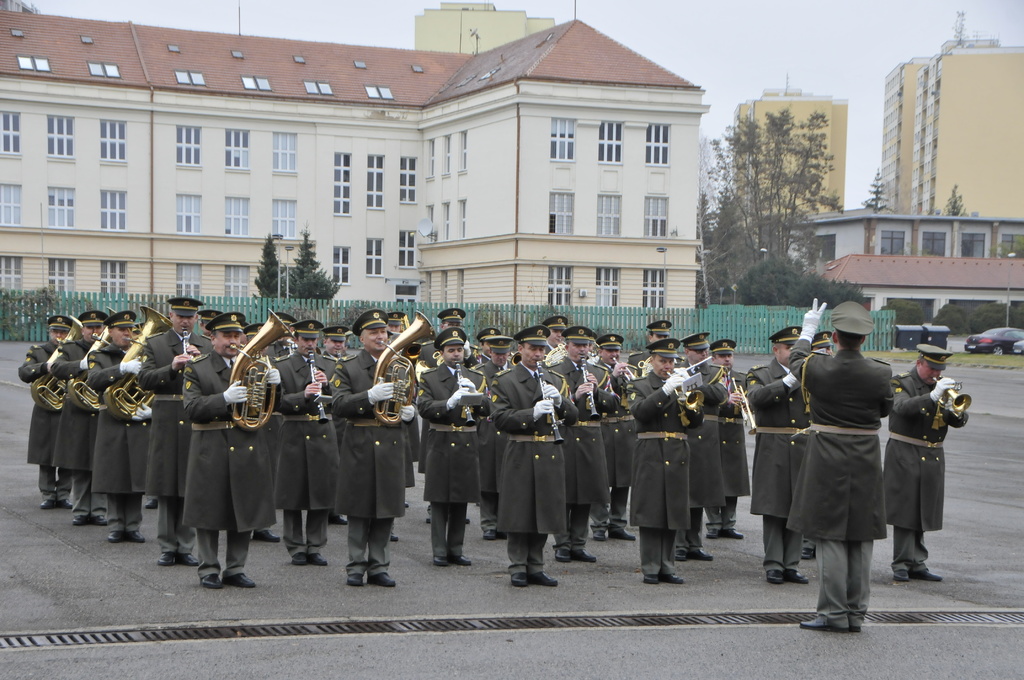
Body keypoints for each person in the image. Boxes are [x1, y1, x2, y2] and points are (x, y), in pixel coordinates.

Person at [789, 300, 893, 633]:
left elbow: (795, 360)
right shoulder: (881, 372)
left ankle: (834, 613)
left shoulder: (818, 367)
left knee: (830, 535)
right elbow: (885, 409)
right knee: (861, 536)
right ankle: (855, 614)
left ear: (834, 337)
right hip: (865, 458)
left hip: (827, 457)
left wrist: (807, 330)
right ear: (863, 338)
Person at [182, 312, 279, 589]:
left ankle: (236, 568)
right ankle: (208, 568)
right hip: (212, 446)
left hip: (247, 444)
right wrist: (223, 399)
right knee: (208, 512)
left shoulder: (254, 365)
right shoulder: (197, 367)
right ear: (212, 339)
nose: (233, 341)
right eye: (226, 336)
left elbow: (270, 408)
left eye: (237, 335)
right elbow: (191, 408)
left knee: (244, 510)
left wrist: (275, 386)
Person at [331, 309, 415, 587]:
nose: (381, 337)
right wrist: (368, 396)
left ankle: (379, 566)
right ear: (361, 338)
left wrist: (408, 412)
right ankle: (356, 566)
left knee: (386, 508)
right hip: (360, 442)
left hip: (391, 442)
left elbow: (409, 396)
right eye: (374, 333)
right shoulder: (348, 366)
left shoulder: (399, 364)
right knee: (359, 509)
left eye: (383, 332)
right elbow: (339, 405)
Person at [490, 325, 578, 587]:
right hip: (521, 450)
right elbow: (499, 418)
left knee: (544, 511)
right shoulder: (505, 380)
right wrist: (533, 413)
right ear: (520, 349)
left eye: (541, 349)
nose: (538, 354)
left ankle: (536, 565)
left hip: (549, 452)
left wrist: (561, 402)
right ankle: (518, 566)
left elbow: (573, 418)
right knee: (520, 512)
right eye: (533, 349)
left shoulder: (555, 379)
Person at [884, 344, 967, 583]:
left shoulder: (940, 386)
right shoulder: (900, 382)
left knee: (923, 508)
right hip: (905, 452)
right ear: (919, 363)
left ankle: (917, 562)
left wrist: (956, 411)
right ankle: (901, 563)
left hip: (932, 455)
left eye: (939, 369)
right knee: (905, 510)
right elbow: (901, 408)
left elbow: (956, 420)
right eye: (931, 368)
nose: (936, 374)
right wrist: (931, 397)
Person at [138, 297, 209, 567]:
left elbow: (215, 381)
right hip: (167, 418)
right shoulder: (155, 343)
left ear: (196, 319)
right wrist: (171, 367)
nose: (185, 321)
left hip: (195, 419)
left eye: (190, 317)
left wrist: (199, 363)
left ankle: (186, 546)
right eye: (180, 316)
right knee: (167, 485)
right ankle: (168, 546)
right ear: (171, 316)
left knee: (191, 485)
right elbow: (144, 380)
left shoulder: (205, 344)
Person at [627, 337, 704, 584]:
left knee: (674, 510)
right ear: (652, 361)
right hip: (650, 451)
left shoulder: (681, 384)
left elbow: (696, 422)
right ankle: (650, 566)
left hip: (677, 451)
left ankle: (667, 566)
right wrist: (666, 390)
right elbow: (640, 412)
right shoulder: (638, 384)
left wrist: (689, 398)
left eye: (671, 361)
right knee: (651, 511)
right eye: (662, 361)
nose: (668, 366)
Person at [745, 327, 810, 585]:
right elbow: (756, 398)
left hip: (802, 444)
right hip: (773, 445)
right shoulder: (760, 373)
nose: (793, 354)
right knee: (773, 507)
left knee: (798, 506)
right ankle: (773, 563)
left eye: (797, 349)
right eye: (789, 349)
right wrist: (786, 383)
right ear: (776, 350)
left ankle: (791, 564)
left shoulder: (807, 374)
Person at [418, 327, 488, 566]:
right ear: (441, 353)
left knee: (461, 498)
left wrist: (476, 395)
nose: (456, 354)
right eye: (451, 350)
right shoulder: (429, 377)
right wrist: (448, 403)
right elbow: (424, 408)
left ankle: (456, 549)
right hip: (441, 440)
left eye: (459, 350)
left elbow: (488, 410)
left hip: (467, 442)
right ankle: (439, 550)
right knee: (439, 500)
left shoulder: (475, 376)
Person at [273, 320, 339, 567]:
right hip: (294, 430)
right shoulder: (282, 365)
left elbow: (341, 400)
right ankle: (295, 546)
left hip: (322, 431)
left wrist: (327, 385)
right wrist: (303, 395)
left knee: (320, 491)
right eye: (305, 340)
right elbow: (277, 403)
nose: (310, 344)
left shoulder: (330, 365)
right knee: (293, 492)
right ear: (296, 340)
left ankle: (315, 545)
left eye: (313, 340)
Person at [87, 311, 152, 544]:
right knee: (114, 475)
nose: (127, 333)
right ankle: (115, 525)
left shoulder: (145, 354)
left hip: (137, 419)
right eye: (122, 330)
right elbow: (93, 380)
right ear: (111, 332)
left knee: (136, 475)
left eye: (130, 329)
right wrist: (121, 369)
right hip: (112, 421)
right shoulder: (99, 355)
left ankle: (133, 525)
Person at [549, 325, 611, 564]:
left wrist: (597, 392)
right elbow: (549, 405)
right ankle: (562, 544)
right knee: (563, 494)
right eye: (577, 345)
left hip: (590, 437)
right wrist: (573, 398)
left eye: (586, 346)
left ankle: (579, 544)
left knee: (586, 493)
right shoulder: (555, 372)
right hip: (565, 434)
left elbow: (614, 405)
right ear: (567, 347)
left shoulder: (599, 372)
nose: (582, 350)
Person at [50, 310, 108, 526]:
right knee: (80, 462)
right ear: (82, 329)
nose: (94, 331)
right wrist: (81, 365)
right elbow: (56, 368)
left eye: (98, 327)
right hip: (77, 412)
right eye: (90, 327)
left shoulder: (108, 349)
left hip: (101, 410)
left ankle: (99, 510)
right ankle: (81, 510)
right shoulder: (70, 348)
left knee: (100, 463)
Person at [674, 332, 727, 563]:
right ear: (687, 352)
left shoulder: (715, 372)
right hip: (682, 435)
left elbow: (721, 395)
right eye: (698, 351)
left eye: (705, 350)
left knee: (698, 494)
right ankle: (678, 544)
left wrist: (694, 383)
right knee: (680, 493)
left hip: (705, 439)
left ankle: (694, 543)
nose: (704, 354)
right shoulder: (675, 369)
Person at [19, 314, 75, 510]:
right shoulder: (38, 351)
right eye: (55, 331)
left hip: (68, 408)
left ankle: (64, 494)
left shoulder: (73, 351)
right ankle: (48, 494)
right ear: (49, 332)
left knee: (68, 453)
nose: (59, 335)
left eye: (63, 332)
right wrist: (44, 367)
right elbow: (24, 372)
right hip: (45, 408)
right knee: (45, 454)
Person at [589, 333, 636, 542]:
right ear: (600, 352)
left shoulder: (628, 371)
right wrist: (614, 378)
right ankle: (599, 524)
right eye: (609, 350)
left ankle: (617, 523)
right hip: (604, 428)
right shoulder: (593, 371)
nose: (614, 354)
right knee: (601, 479)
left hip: (625, 430)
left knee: (623, 480)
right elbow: (601, 400)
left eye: (616, 350)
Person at [705, 339, 750, 541]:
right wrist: (725, 401)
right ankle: (713, 523)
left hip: (734, 432)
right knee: (713, 479)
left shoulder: (740, 378)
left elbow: (750, 401)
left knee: (733, 480)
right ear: (713, 358)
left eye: (729, 356)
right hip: (715, 429)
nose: (727, 360)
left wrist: (746, 404)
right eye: (722, 356)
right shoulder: (710, 378)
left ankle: (729, 523)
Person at [471, 329, 513, 540]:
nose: (501, 357)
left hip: (508, 429)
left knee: (507, 479)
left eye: (504, 354)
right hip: (486, 428)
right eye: (497, 353)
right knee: (487, 478)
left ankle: (504, 522)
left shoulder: (514, 372)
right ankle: (488, 523)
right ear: (491, 352)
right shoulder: (479, 372)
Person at [321, 325, 350, 527]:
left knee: (346, 467)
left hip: (346, 419)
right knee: (330, 467)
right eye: (334, 342)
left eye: (341, 342)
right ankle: (329, 508)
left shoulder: (349, 362)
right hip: (330, 418)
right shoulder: (319, 362)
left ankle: (339, 507)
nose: (338, 345)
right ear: (325, 342)